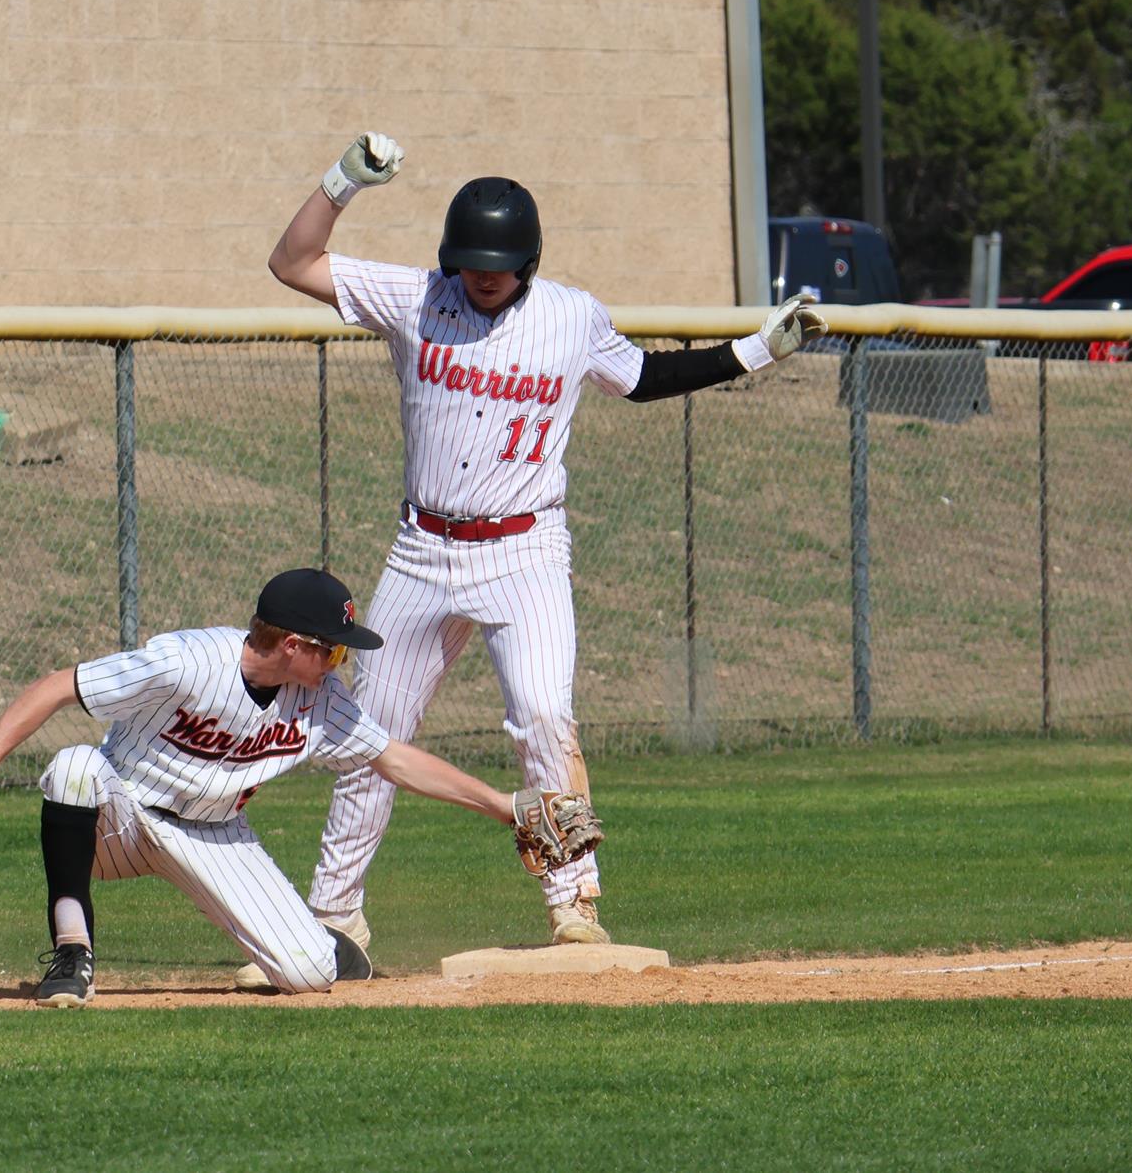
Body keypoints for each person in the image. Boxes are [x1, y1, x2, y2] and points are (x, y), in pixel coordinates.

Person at [257, 131, 824, 974]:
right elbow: (293, 263)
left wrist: (754, 351)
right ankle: (333, 916)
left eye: (498, 263)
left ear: (528, 260)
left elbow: (642, 379)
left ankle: (574, 904)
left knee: (545, 717)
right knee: (371, 735)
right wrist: (344, 181)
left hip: (524, 549)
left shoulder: (570, 315)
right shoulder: (417, 297)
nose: (482, 275)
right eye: (469, 261)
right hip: (422, 549)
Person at [0, 566, 531, 1007]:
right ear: (294, 645)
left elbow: (394, 759)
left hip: (214, 836)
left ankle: (326, 943)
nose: (341, 662)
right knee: (73, 768)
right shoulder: (186, 662)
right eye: (334, 652)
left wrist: (506, 808)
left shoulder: (321, 700)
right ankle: (73, 952)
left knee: (307, 975)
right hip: (121, 814)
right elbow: (57, 686)